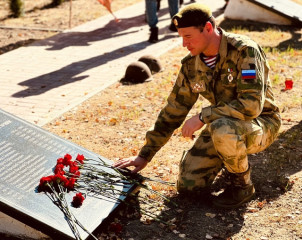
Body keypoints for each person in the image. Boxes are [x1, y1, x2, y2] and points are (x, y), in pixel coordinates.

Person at [114, 3, 281, 208]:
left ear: (208, 29)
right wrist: (145, 155)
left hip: (260, 122)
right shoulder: (191, 65)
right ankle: (227, 154)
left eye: (188, 36)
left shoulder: (244, 51)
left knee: (221, 129)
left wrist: (203, 116)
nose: (184, 44)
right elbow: (173, 111)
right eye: (181, 37)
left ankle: (242, 186)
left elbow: (251, 105)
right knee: (188, 186)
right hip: (223, 124)